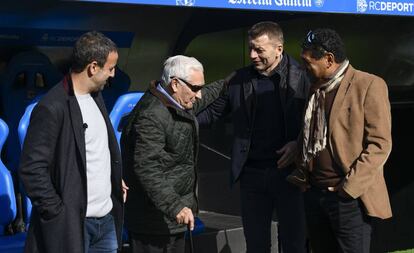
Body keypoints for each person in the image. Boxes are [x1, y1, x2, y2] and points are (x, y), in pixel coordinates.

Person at [197, 21, 308, 253]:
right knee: (256, 244)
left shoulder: (303, 79)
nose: (252, 55)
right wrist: (175, 120)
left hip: (291, 175)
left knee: (294, 243)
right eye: (250, 48)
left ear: (279, 49)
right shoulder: (238, 79)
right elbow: (213, 112)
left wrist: (298, 144)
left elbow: (318, 123)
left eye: (259, 50)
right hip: (252, 175)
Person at [19, 31, 127, 253]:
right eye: (110, 68)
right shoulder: (51, 107)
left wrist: (113, 180)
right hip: (72, 225)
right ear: (93, 67)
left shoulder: (97, 98)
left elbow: (96, 151)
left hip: (106, 221)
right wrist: (57, 212)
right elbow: (31, 169)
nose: (113, 75)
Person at [288, 28, 392, 253]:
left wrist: (348, 188)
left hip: (348, 199)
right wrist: (297, 149)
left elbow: (379, 144)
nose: (304, 67)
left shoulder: (369, 85)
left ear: (328, 59)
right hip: (315, 194)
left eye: (308, 61)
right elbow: (314, 133)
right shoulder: (314, 88)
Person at [121, 55, 224, 253]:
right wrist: (175, 206)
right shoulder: (151, 115)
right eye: (195, 88)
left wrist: (229, 81)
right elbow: (147, 168)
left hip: (172, 218)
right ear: (175, 84)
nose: (199, 95)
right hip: (153, 224)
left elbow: (206, 95)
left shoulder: (176, 102)